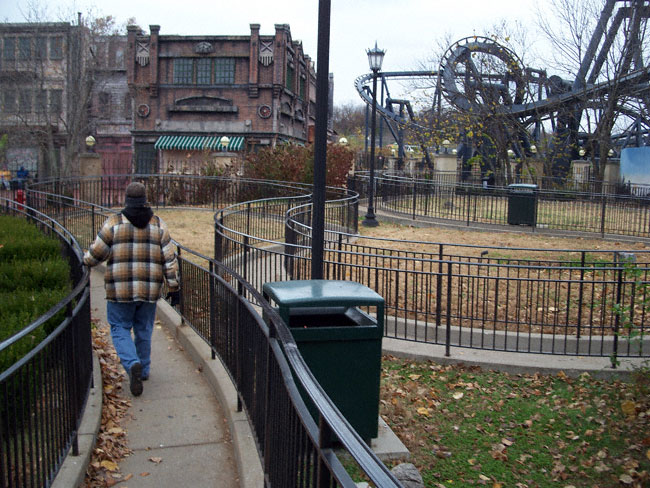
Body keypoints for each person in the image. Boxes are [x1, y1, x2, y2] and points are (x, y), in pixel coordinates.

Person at [83, 182, 180, 396]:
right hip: (150, 288)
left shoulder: (114, 223)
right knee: (144, 329)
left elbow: (97, 253)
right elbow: (169, 258)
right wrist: (173, 286)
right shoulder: (158, 224)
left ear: (126, 200)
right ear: (145, 199)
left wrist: (85, 261)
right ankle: (143, 369)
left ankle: (131, 363)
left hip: (120, 289)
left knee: (119, 328)